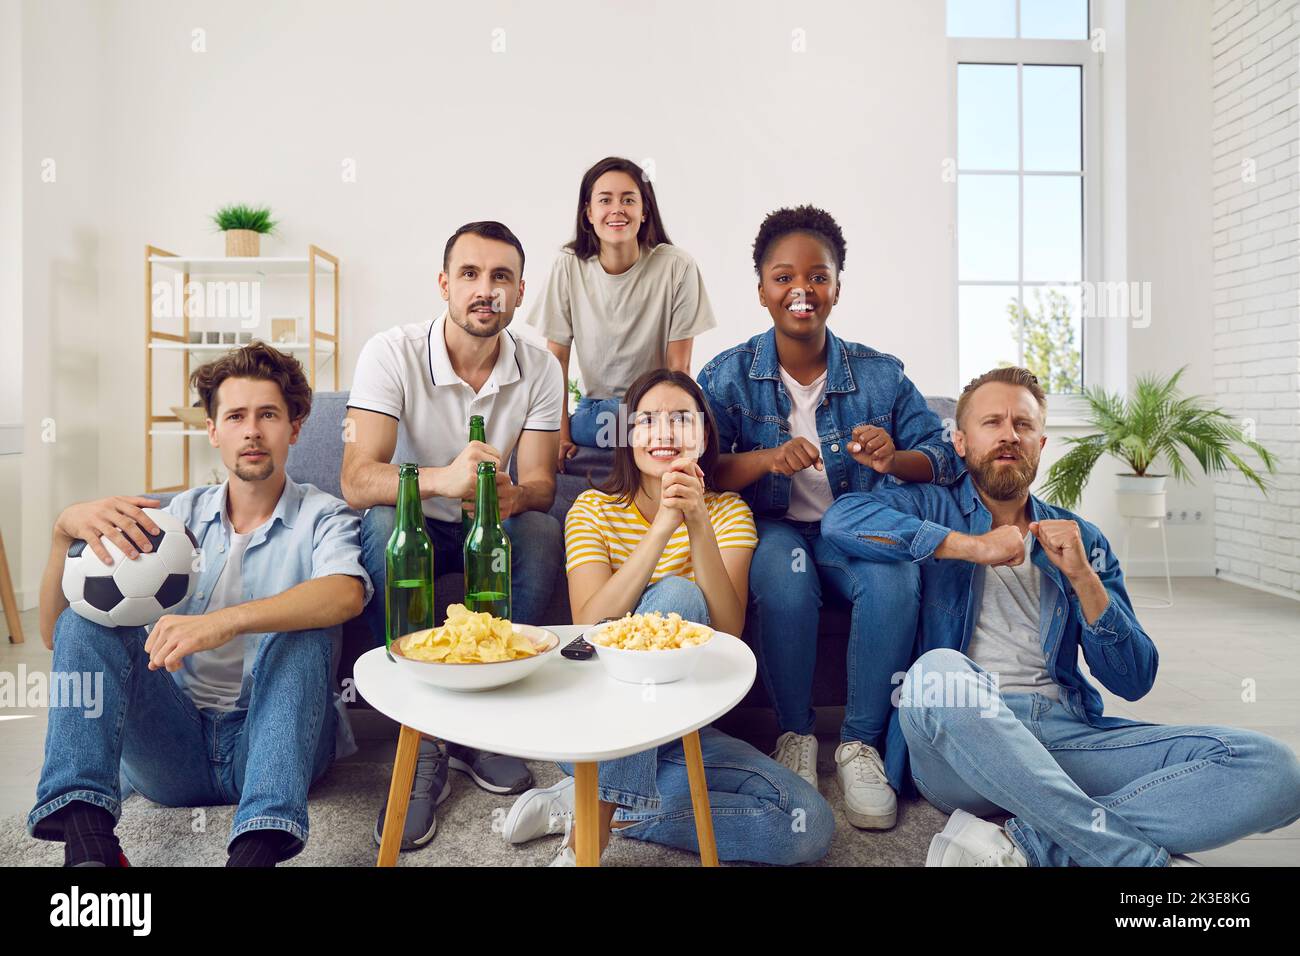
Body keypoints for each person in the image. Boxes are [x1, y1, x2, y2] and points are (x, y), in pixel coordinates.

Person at [820, 366, 1300, 866]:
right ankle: (1133, 861)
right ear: (959, 443)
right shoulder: (929, 506)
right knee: (938, 673)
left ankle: (1031, 846)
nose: (1009, 435)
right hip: (958, 743)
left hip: (1065, 736)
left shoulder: (1082, 539)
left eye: (1023, 425)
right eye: (992, 423)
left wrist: (1084, 580)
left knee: (1274, 770)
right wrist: (972, 546)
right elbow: (842, 521)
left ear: (1041, 444)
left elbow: (1135, 679)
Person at [28, 343, 370, 867]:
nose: (252, 430)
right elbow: (58, 634)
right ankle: (88, 844)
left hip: (272, 745)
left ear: (294, 428)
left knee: (305, 629)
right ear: (213, 431)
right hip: (174, 749)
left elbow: (345, 591)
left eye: (269, 415)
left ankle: (257, 850)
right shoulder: (168, 519)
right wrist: (60, 533)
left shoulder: (325, 516)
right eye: (236, 416)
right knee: (86, 619)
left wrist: (222, 623)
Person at [696, 205, 964, 832]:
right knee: (784, 574)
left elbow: (943, 457)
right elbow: (706, 467)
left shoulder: (880, 374)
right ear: (762, 288)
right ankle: (795, 734)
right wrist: (768, 459)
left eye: (817, 276)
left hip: (857, 529)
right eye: (783, 276)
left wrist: (894, 457)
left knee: (896, 577)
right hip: (777, 529)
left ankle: (859, 745)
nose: (801, 290)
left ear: (838, 286)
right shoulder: (727, 374)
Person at [501, 369, 834, 865]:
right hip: (596, 725)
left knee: (806, 824)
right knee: (679, 595)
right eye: (648, 421)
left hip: (679, 728)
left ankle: (592, 807)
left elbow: (727, 634)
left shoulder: (728, 513)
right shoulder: (592, 509)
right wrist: (662, 527)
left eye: (681, 419)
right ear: (628, 437)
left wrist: (697, 520)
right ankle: (587, 838)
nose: (664, 433)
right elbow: (590, 626)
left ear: (703, 436)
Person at [342, 220, 566, 851]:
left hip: (485, 524)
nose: (484, 290)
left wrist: (502, 493)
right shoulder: (391, 351)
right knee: (385, 525)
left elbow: (543, 486)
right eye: (470, 274)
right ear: (444, 284)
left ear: (520, 291)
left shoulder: (541, 368)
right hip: (415, 516)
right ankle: (426, 741)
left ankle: (482, 726)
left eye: (501, 277)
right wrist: (444, 479)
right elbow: (358, 481)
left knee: (541, 532)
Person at [531, 156, 717, 468]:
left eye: (628, 200)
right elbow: (556, 361)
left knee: (714, 419)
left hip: (658, 407)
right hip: (598, 413)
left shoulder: (677, 267)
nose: (617, 209)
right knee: (610, 422)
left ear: (644, 211)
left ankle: (646, 438)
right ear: (589, 213)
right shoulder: (568, 266)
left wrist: (674, 428)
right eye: (605, 200)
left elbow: (679, 366)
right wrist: (561, 436)